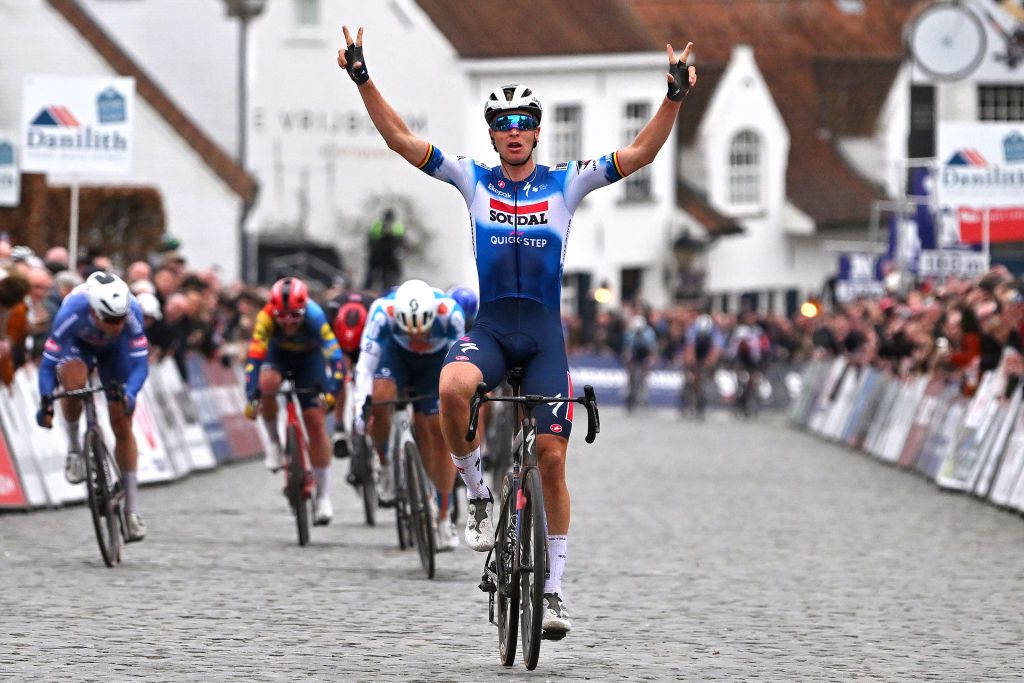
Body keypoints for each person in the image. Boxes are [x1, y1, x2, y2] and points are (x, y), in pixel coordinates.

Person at [338, 25, 696, 636]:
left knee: (553, 460)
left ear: (536, 130)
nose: (512, 131)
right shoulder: (472, 178)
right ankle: (476, 491)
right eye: (502, 122)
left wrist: (674, 97)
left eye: (522, 121)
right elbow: (401, 141)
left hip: (545, 340)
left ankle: (552, 591)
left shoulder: (568, 180)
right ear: (493, 133)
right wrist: (363, 77)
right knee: (453, 387)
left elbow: (639, 156)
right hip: (494, 329)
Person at [35, 272, 150, 541]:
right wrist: (45, 401)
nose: (118, 325)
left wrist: (130, 394)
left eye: (120, 319)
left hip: (115, 352)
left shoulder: (131, 312)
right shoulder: (72, 311)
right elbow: (48, 364)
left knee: (122, 422)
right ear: (95, 313)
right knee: (73, 384)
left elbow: (141, 364)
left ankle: (132, 512)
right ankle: (75, 449)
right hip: (78, 345)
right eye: (110, 320)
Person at [353, 278, 465, 551]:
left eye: (421, 330)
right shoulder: (382, 312)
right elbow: (365, 368)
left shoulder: (450, 314)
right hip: (396, 357)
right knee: (380, 400)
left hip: (435, 362)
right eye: (409, 330)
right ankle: (385, 464)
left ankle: (443, 515)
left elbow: (461, 364)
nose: (416, 337)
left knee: (437, 431)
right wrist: (359, 405)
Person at [244, 277, 344, 526]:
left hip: (309, 361)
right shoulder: (265, 318)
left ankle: (322, 496)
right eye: (283, 316)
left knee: (315, 421)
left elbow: (337, 360)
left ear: (303, 310)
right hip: (277, 357)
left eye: (294, 316)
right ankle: (275, 444)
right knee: (266, 384)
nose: (288, 322)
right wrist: (250, 395)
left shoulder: (315, 315)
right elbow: (254, 357)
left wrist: (332, 389)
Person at [330, 291, 372, 457]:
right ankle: (339, 425)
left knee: (366, 380)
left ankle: (360, 417)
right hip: (340, 345)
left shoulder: (373, 309)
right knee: (339, 375)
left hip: (366, 346)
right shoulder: (332, 310)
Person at [682, 313, 724, 417]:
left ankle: (702, 399)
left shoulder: (716, 332)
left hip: (707, 351)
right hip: (696, 350)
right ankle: (687, 394)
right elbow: (690, 349)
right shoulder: (692, 330)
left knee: (706, 372)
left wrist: (710, 362)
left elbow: (716, 350)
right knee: (690, 374)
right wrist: (690, 362)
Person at [622, 314, 658, 412]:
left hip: (644, 353)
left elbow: (652, 349)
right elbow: (627, 349)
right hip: (634, 353)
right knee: (631, 373)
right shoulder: (629, 333)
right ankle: (628, 391)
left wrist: (651, 359)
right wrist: (627, 360)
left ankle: (643, 392)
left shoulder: (649, 333)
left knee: (644, 373)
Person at [363, 208, 406, 292]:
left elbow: (370, 240)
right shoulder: (397, 226)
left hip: (380, 255)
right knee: (388, 276)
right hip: (385, 256)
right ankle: (372, 290)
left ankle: (368, 290)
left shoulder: (377, 225)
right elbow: (401, 241)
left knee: (374, 276)